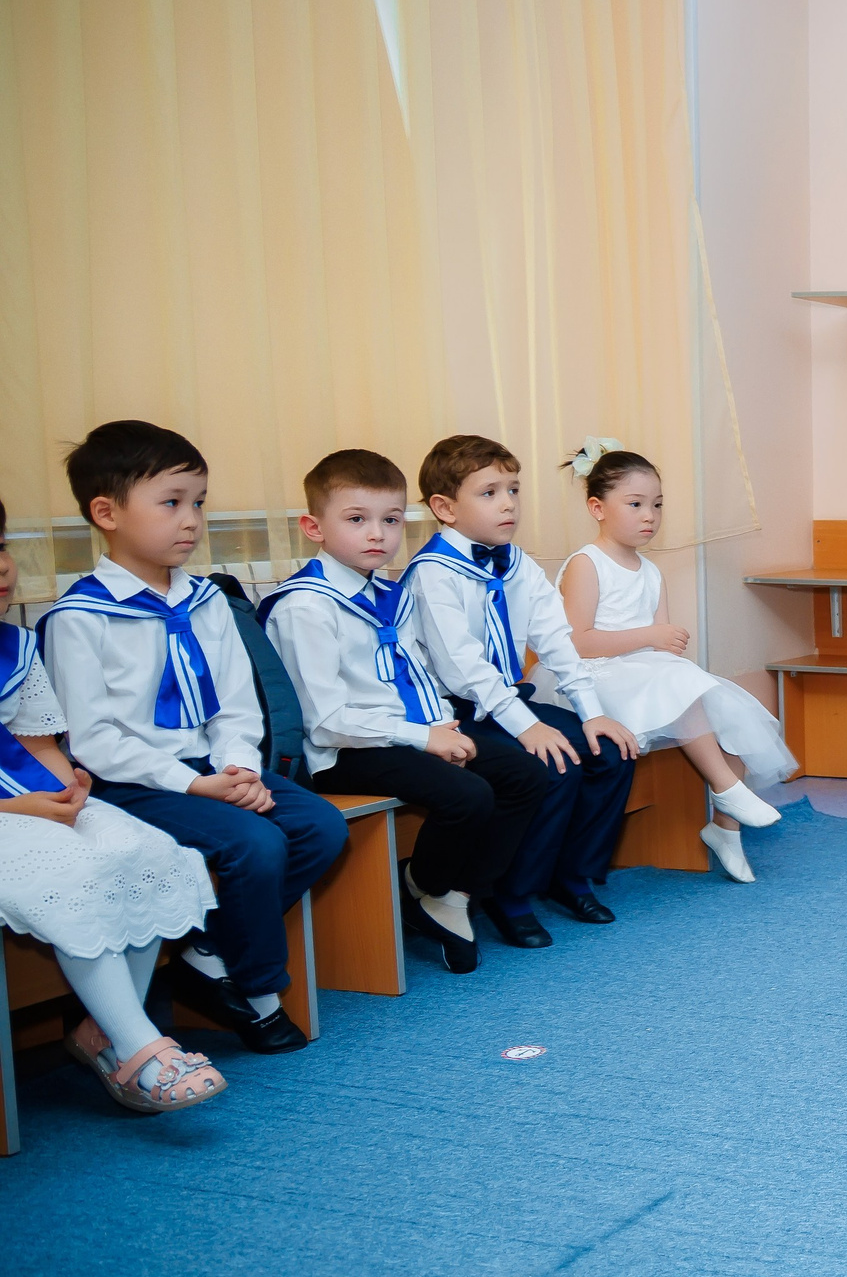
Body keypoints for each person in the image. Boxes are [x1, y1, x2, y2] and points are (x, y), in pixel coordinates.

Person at [38, 421, 347, 1054]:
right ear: (107, 513)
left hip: (216, 766)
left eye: (199, 503)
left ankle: (205, 946)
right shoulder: (77, 618)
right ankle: (259, 991)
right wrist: (196, 784)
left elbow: (237, 703)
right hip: (133, 784)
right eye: (172, 502)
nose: (192, 520)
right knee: (256, 845)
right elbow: (93, 740)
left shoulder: (206, 601)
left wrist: (241, 770)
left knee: (320, 828)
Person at [261, 449, 554, 974]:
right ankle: (422, 886)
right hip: (345, 751)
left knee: (526, 774)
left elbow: (417, 674)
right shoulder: (306, 606)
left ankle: (452, 894)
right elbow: (325, 721)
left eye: (391, 520)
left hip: (408, 732)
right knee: (468, 794)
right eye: (357, 520)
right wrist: (423, 739)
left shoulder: (389, 593)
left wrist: (442, 723)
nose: (378, 534)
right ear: (314, 527)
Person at [0, 498, 228, 1113]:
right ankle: (137, 1046)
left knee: (149, 850)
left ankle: (104, 1031)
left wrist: (70, 791)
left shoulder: (14, 645)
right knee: (75, 871)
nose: (1, 569)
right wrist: (29, 812)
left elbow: (37, 740)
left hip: (36, 798)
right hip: (6, 818)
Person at [404, 434, 640, 948]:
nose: (508, 502)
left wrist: (591, 711)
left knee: (609, 750)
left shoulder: (516, 562)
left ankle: (571, 875)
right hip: (456, 713)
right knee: (551, 763)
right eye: (489, 492)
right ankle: (511, 894)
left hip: (507, 702)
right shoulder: (431, 574)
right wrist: (529, 728)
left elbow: (555, 641)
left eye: (513, 489)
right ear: (445, 508)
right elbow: (465, 670)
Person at [558, 446, 796, 884]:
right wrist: (652, 638)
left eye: (657, 505)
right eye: (635, 504)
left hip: (638, 674)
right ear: (597, 508)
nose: (649, 515)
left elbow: (658, 645)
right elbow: (577, 642)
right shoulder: (586, 564)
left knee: (724, 707)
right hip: (592, 677)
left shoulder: (650, 571)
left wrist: (663, 642)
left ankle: (726, 828)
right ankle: (727, 791)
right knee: (683, 685)